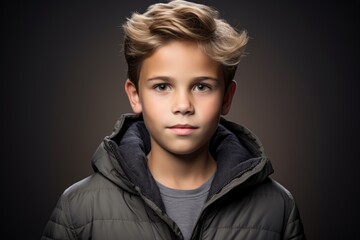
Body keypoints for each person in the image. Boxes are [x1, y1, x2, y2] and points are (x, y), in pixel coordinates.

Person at [41, 0, 305, 239]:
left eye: (201, 87)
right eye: (162, 87)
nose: (183, 106)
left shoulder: (277, 208)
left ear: (226, 98)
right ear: (135, 96)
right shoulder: (79, 208)